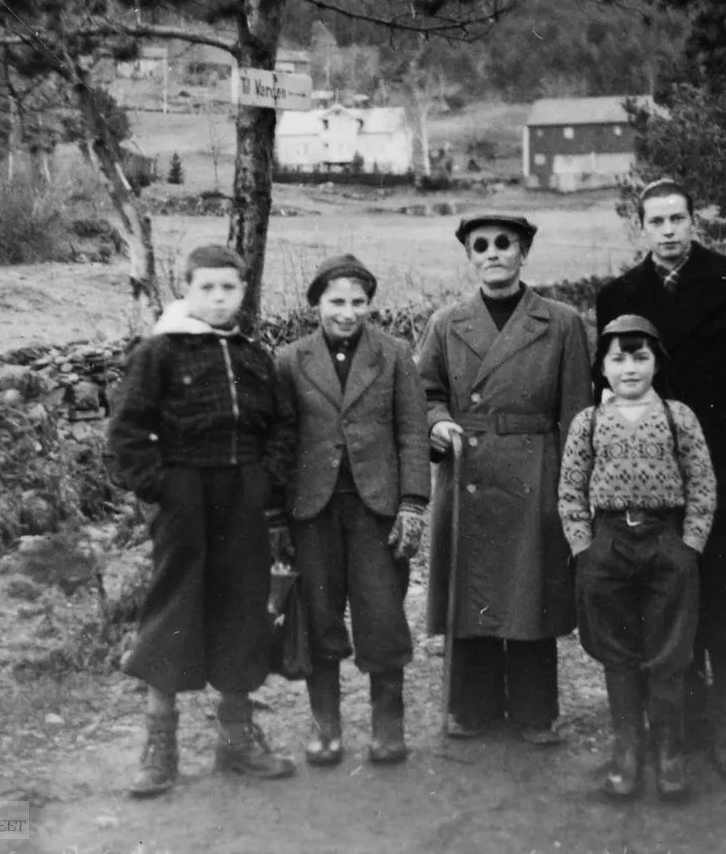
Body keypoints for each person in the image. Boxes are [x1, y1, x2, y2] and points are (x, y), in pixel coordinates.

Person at [595, 179, 726, 775]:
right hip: (654, 468)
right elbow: (606, 380)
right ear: (641, 226)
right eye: (656, 222)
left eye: (678, 218)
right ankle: (686, 707)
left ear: (693, 219)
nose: (669, 231)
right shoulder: (620, 294)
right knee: (668, 583)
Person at [108, 244, 297, 798]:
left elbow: (282, 428)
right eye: (206, 287)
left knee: (243, 606)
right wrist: (160, 486)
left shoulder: (254, 357)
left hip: (243, 495)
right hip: (184, 494)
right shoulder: (159, 352)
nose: (218, 297)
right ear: (186, 290)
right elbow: (126, 429)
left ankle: (236, 741)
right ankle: (159, 749)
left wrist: (266, 480)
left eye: (229, 288)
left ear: (243, 291)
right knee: (174, 606)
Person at [417, 213, 591, 744]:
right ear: (469, 256)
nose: (492, 253)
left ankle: (536, 712)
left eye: (503, 244)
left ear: (523, 252)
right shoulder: (446, 322)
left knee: (529, 586)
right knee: (474, 588)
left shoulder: (561, 322)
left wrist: (571, 486)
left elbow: (579, 412)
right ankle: (473, 708)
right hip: (467, 467)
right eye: (480, 246)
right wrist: (439, 422)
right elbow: (424, 393)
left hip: (535, 469)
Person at [276, 255, 430, 767]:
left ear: (370, 305)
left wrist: (412, 504)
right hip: (312, 510)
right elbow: (281, 440)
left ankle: (388, 725)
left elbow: (412, 432)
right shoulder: (290, 360)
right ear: (316, 303)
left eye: (358, 302)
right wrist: (276, 516)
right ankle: (326, 727)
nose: (347, 312)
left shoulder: (394, 355)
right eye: (336, 301)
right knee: (320, 616)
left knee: (382, 614)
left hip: (376, 509)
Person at [559, 315, 716, 801]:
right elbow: (569, 490)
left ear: (656, 362)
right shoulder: (589, 422)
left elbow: (702, 482)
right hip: (607, 544)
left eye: (640, 357)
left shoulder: (677, 416)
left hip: (666, 541)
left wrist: (689, 544)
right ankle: (628, 749)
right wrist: (584, 547)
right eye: (618, 358)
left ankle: (669, 752)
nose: (630, 368)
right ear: (602, 367)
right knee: (618, 650)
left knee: (668, 651)